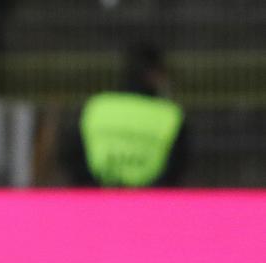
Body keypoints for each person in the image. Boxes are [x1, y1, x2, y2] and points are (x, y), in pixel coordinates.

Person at [67, 43, 188, 187]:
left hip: (97, 200)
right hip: (150, 203)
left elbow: (72, 154)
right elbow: (178, 164)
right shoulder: (169, 115)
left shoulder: (96, 107)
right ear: (155, 75)